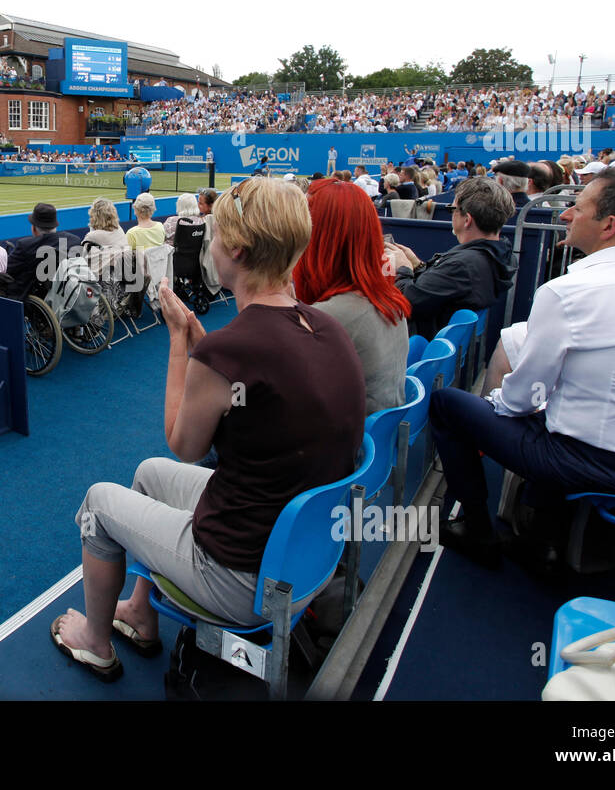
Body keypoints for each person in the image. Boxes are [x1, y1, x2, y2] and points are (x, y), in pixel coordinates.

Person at [50, 178, 366, 680]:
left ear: (236, 250)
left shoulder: (230, 350)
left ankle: (95, 640)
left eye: (217, 237)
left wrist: (181, 343)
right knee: (149, 474)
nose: (212, 246)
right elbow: (260, 389)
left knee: (96, 503)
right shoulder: (328, 328)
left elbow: (185, 444)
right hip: (306, 555)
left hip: (242, 577)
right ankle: (139, 612)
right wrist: (203, 346)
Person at [431, 168, 615, 565]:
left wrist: (497, 401)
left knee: (447, 404)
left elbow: (521, 398)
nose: (566, 216)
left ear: (609, 226)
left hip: (587, 460)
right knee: (551, 416)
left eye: (578, 208)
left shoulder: (567, 293)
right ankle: (541, 532)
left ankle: (476, 529)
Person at [294, 178, 410, 414]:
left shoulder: (327, 317)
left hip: (350, 445)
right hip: (377, 439)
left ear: (317, 239)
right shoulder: (385, 295)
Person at [386, 178, 517, 340]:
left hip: (417, 340)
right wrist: (417, 265)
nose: (451, 215)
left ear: (467, 220)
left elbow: (408, 301)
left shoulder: (463, 264)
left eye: (452, 209)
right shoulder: (497, 255)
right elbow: (441, 291)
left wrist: (402, 269)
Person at [5, 202, 82, 300]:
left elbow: (7, 270)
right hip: (66, 294)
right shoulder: (73, 241)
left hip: (36, 297)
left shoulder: (26, 246)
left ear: (34, 228)